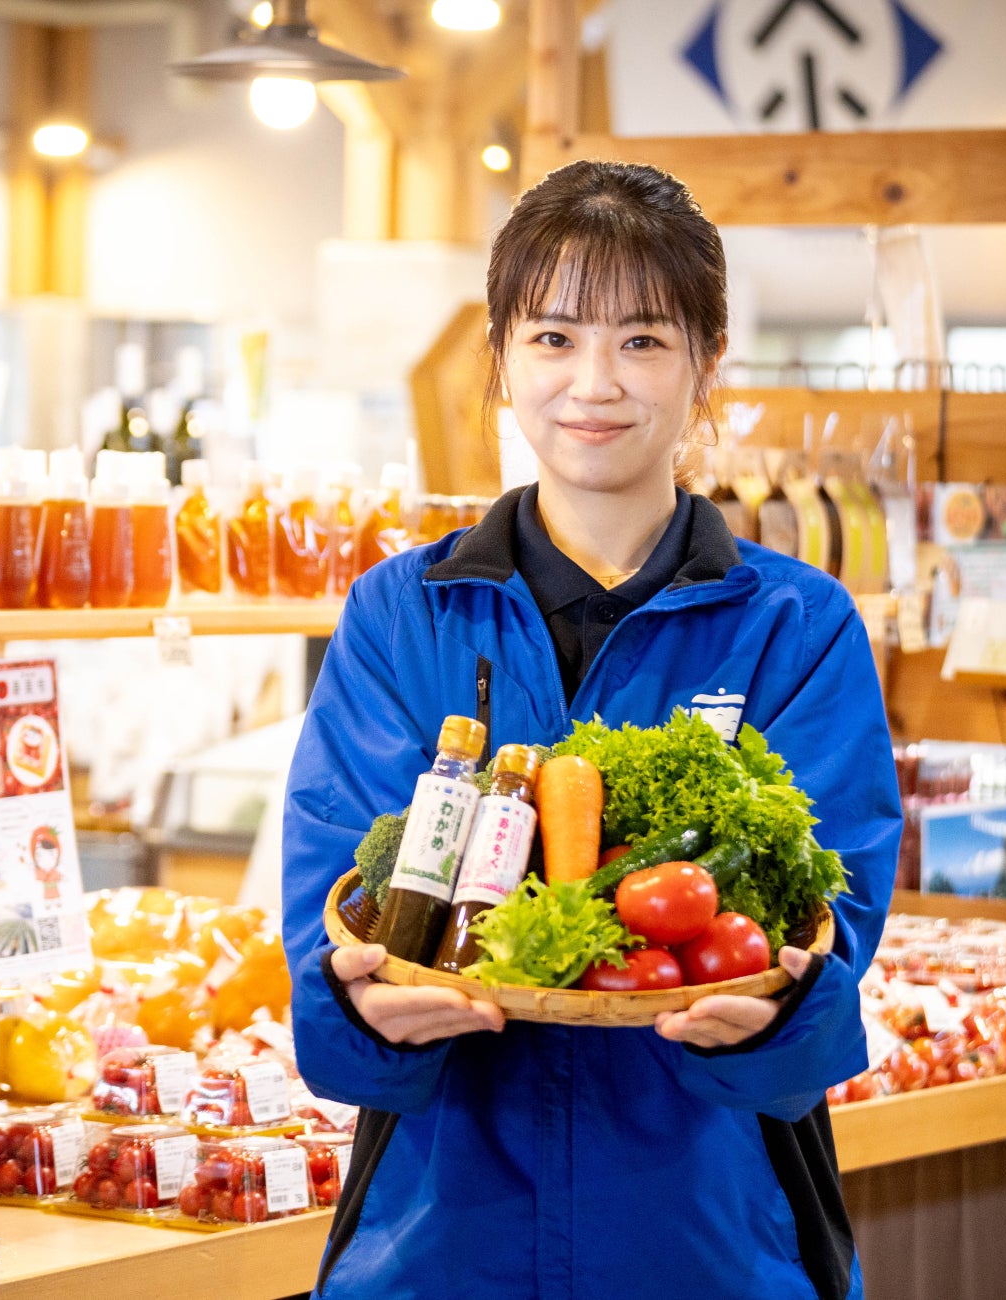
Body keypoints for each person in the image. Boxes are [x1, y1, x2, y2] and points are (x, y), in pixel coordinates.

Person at [281, 160, 900, 1299]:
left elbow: (833, 927)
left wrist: (777, 1012)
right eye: (554, 338)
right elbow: (329, 909)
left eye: (643, 340)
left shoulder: (796, 626)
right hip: (436, 1243)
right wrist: (359, 1002)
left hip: (714, 1243)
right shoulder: (403, 612)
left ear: (708, 362)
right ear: (503, 359)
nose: (594, 383)